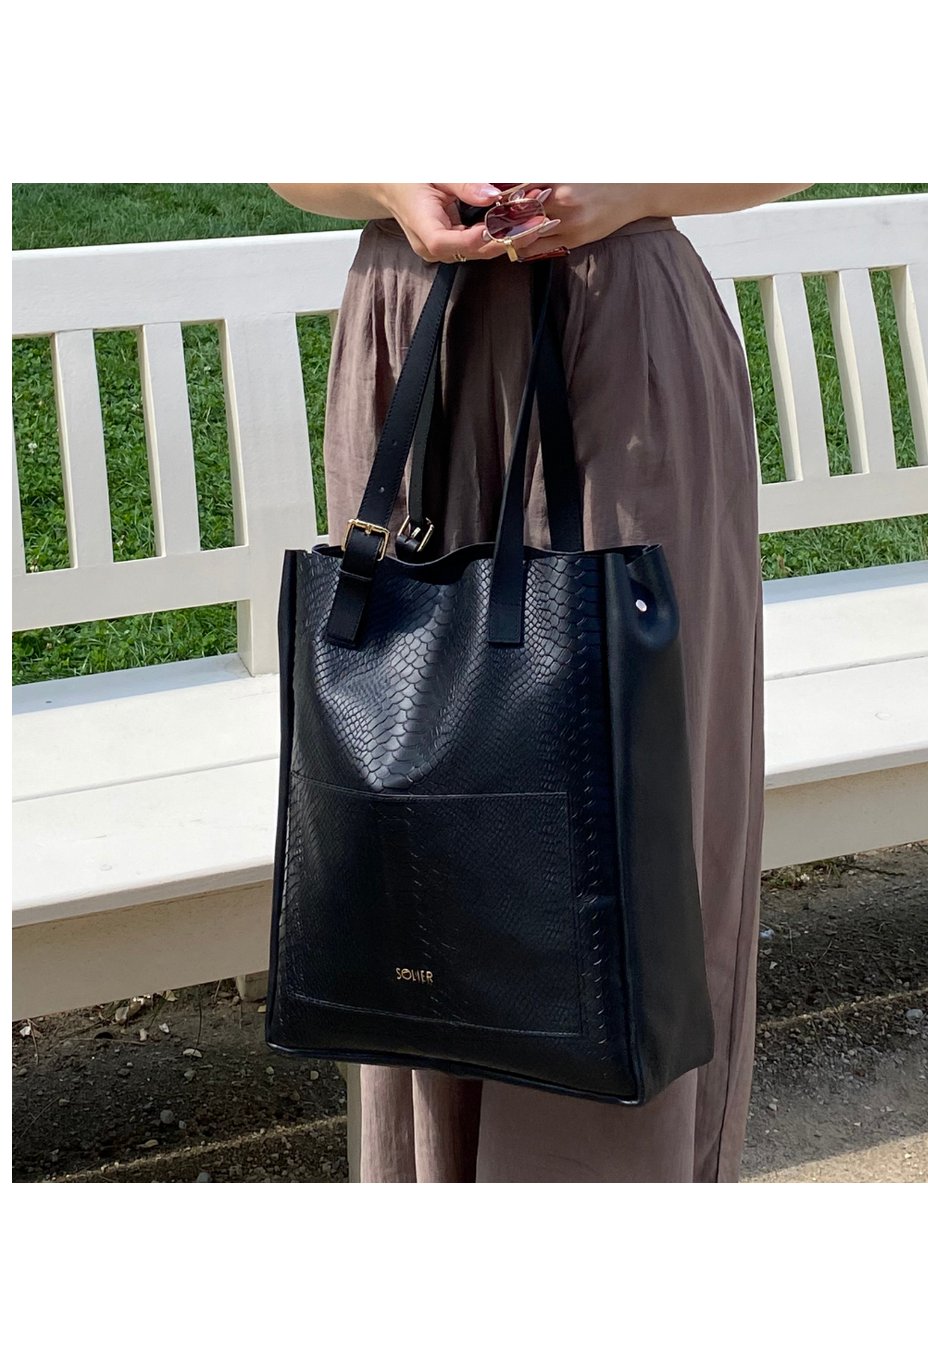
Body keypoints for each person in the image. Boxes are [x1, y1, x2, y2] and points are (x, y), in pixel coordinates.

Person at [268, 181, 813, 1183]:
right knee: (410, 824)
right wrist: (392, 179)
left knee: (630, 811)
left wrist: (639, 184)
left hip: (620, 343)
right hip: (414, 334)